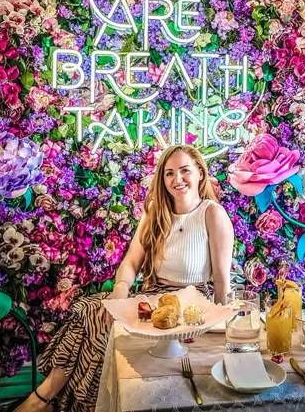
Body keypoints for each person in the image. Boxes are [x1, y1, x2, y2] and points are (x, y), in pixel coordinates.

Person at [15, 144, 234, 412]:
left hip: (190, 307)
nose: (177, 179)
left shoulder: (213, 214)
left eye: (185, 170)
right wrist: (119, 293)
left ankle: (46, 400)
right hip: (153, 301)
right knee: (90, 311)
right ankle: (50, 398)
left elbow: (223, 283)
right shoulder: (156, 212)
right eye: (169, 173)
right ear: (162, 180)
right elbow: (131, 262)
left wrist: (220, 330)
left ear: (200, 173)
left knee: (100, 329)